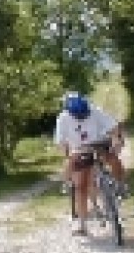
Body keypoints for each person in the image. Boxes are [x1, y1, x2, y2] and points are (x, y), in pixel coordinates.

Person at [53, 91, 126, 236]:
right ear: (70, 111)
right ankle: (82, 224)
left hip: (99, 143)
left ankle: (120, 185)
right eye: (79, 115)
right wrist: (69, 156)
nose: (82, 117)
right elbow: (62, 143)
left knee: (113, 158)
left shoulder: (95, 111)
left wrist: (117, 140)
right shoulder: (63, 118)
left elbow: (114, 127)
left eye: (84, 114)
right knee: (80, 185)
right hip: (79, 149)